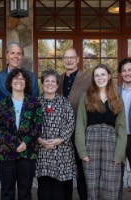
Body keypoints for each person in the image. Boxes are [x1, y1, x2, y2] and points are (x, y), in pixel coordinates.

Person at [75, 64, 127, 200]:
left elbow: (121, 128)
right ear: (93, 78)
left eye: (103, 74)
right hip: (90, 144)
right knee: (91, 187)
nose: (100, 78)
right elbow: (80, 124)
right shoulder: (85, 97)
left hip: (112, 144)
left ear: (109, 76)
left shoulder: (117, 98)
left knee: (111, 186)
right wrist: (82, 150)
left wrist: (119, 154)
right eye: (97, 75)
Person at [0, 68, 42, 200]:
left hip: (28, 152)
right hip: (6, 152)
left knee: (25, 191)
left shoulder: (34, 102)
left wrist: (24, 142)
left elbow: (37, 126)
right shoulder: (2, 102)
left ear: (26, 83)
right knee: (7, 192)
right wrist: (14, 143)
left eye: (22, 79)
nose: (19, 81)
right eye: (16, 78)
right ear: (10, 82)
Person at [36, 69, 77, 200]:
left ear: (57, 85)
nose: (50, 83)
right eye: (47, 81)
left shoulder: (65, 102)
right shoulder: (35, 103)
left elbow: (71, 123)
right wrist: (39, 140)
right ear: (42, 84)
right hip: (43, 151)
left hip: (62, 151)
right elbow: (30, 125)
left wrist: (60, 139)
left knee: (61, 190)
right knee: (45, 188)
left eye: (53, 81)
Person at [58, 47, 90, 200]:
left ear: (78, 59)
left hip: (81, 132)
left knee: (82, 173)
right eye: (66, 58)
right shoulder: (58, 79)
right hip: (63, 135)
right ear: (63, 60)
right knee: (65, 173)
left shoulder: (88, 78)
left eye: (72, 57)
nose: (69, 60)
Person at [118, 58, 131, 199]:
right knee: (117, 173)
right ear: (120, 74)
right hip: (119, 137)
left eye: (129, 70)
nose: (127, 73)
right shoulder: (115, 91)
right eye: (124, 70)